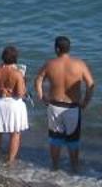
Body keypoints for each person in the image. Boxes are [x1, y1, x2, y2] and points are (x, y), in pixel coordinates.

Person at [35, 36, 95, 173]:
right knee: (73, 140)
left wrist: (42, 96)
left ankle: (55, 167)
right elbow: (90, 84)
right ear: (69, 48)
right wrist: (85, 102)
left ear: (57, 48)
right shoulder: (79, 64)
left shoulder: (50, 64)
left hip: (54, 105)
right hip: (72, 107)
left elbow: (38, 79)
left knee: (55, 139)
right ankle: (74, 169)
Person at [0, 45, 29, 164]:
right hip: (13, 104)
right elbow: (20, 94)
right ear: (15, 58)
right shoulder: (17, 73)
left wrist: (1, 90)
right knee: (15, 133)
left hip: (0, 102)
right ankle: (9, 161)